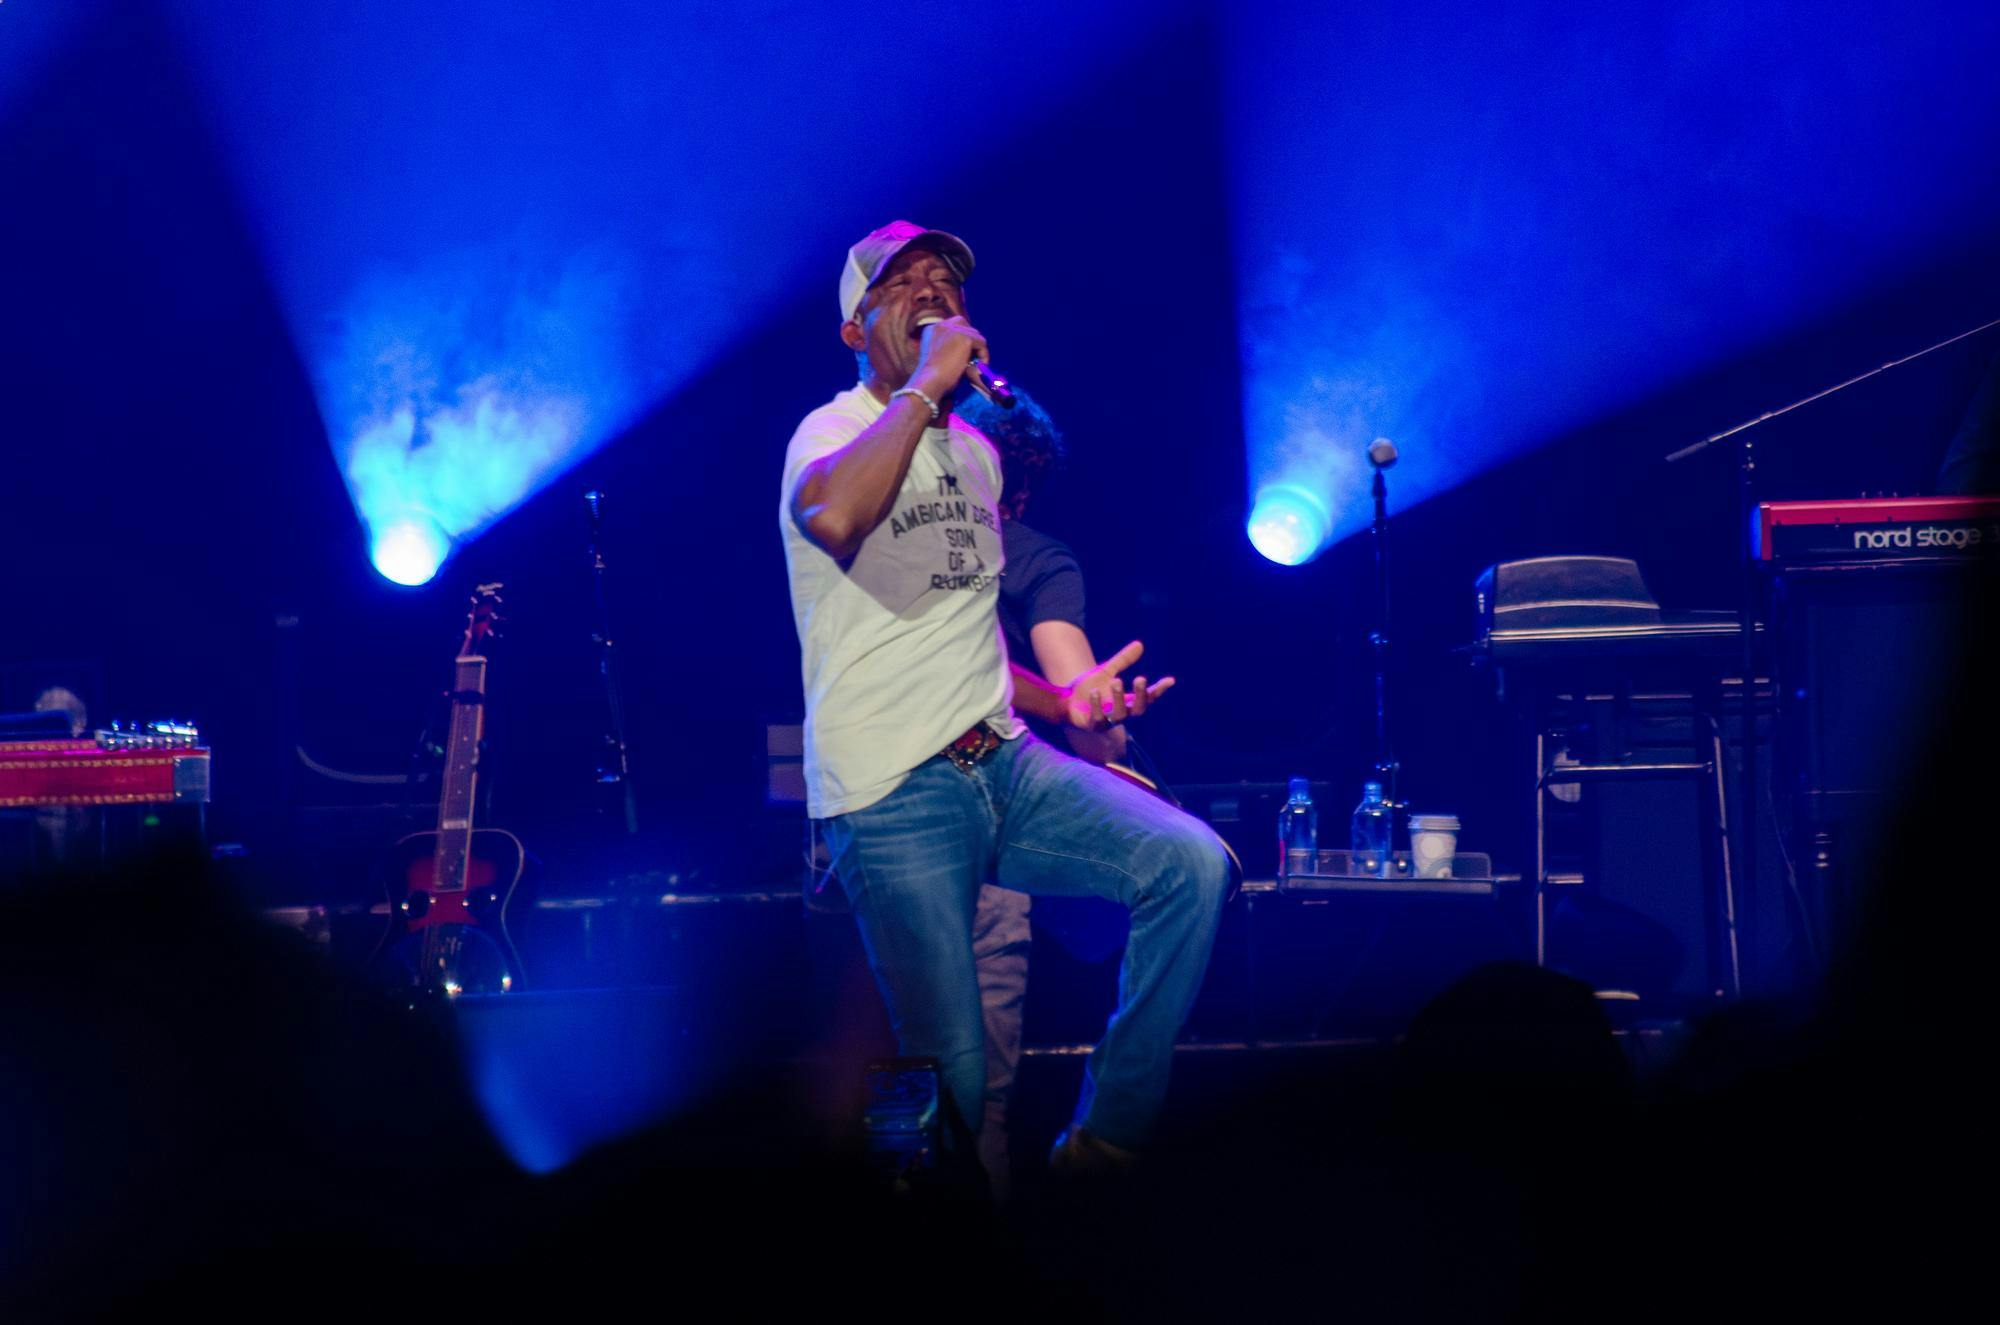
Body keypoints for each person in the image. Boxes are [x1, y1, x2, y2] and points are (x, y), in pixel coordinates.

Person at [779, 220, 1230, 1173]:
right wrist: (924, 388)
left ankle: (1105, 1139)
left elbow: (967, 621)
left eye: (945, 280)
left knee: (1189, 864)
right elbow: (837, 515)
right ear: (858, 329)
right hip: (892, 790)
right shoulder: (830, 432)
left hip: (999, 759)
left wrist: (1064, 706)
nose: (934, 291)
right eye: (904, 283)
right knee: (939, 1067)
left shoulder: (976, 462)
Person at [954, 386, 1135, 1194]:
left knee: (934, 1079)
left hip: (971, 840)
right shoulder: (893, 541)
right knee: (949, 1081)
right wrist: (1077, 703)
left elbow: (1072, 674)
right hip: (907, 823)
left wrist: (1091, 706)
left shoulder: (1031, 556)